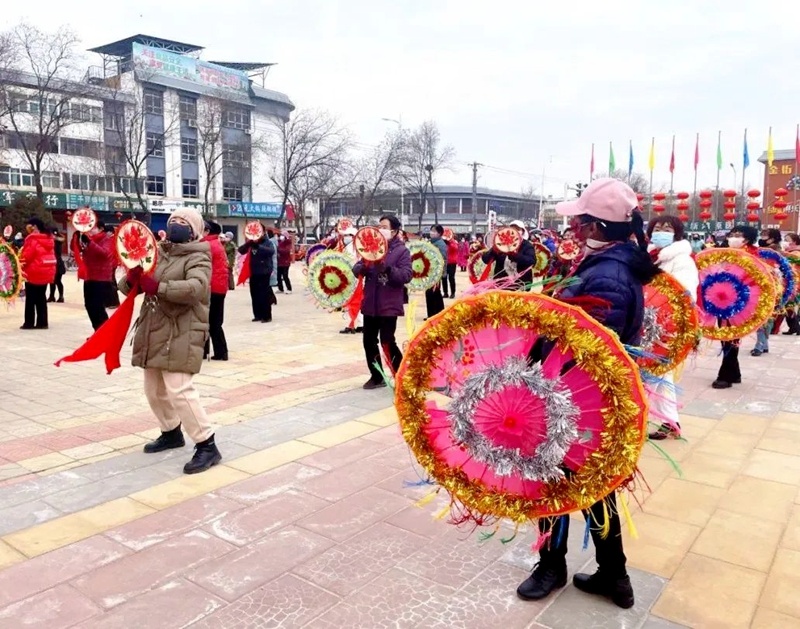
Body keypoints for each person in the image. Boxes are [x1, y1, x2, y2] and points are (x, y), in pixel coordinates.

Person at [517, 178, 660, 610]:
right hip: (587, 398)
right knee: (597, 487)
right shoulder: (608, 264)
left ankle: (552, 566)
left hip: (579, 400)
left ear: (596, 226)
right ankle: (614, 576)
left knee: (557, 483)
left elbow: (596, 347)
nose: (574, 227)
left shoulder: (610, 274)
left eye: (580, 221)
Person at [120, 208, 220, 474]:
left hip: (182, 330)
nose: (176, 225)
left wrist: (159, 287)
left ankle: (207, 444)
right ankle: (171, 431)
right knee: (153, 389)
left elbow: (195, 289)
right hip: (154, 327)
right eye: (173, 220)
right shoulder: (159, 252)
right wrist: (132, 278)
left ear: (195, 229)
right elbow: (131, 286)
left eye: (183, 223)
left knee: (179, 389)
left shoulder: (199, 255)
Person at [646, 215, 699, 440]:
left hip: (665, 324)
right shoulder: (651, 256)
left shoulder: (682, 260)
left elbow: (685, 292)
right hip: (648, 321)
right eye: (657, 227)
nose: (661, 231)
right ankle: (670, 421)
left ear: (676, 233)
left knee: (654, 372)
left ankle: (654, 420)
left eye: (667, 228)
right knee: (658, 373)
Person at [353, 214, 412, 389]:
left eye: (384, 227)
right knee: (368, 340)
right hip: (370, 303)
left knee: (387, 340)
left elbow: (406, 275)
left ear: (394, 231)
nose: (381, 230)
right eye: (379, 227)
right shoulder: (371, 248)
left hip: (389, 304)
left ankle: (402, 375)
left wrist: (387, 268)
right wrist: (362, 267)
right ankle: (376, 376)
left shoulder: (402, 251)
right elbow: (356, 268)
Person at [713, 225, 758, 388]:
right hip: (722, 301)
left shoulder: (752, 256)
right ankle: (734, 373)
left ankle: (725, 375)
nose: (734, 237)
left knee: (731, 337)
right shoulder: (727, 254)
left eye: (738, 235)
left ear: (747, 239)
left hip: (740, 304)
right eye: (732, 234)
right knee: (727, 338)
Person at [19, 218, 56, 330]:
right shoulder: (49, 238)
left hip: (34, 272)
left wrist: (19, 265)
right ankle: (42, 322)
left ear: (34, 226)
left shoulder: (32, 239)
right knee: (41, 297)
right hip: (46, 271)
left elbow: (27, 257)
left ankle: (29, 323)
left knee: (30, 299)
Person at [80, 220, 116, 331]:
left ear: (100, 229)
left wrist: (90, 243)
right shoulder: (90, 240)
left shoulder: (107, 240)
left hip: (101, 279)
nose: (90, 230)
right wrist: (77, 239)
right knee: (89, 306)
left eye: (93, 227)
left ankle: (104, 332)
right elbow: (76, 250)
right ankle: (98, 331)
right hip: (89, 277)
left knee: (98, 307)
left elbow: (105, 253)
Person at [752, 228, 783, 356]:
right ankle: (764, 343)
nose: (762, 237)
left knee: (764, 316)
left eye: (766, 235)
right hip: (762, 285)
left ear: (773, 238)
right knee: (765, 316)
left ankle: (760, 345)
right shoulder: (761, 250)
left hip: (770, 286)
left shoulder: (773, 251)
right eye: (762, 234)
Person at [202, 221, 229, 361]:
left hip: (212, 288)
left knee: (208, 322)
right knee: (215, 321)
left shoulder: (207, 245)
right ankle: (220, 351)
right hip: (219, 287)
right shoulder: (216, 243)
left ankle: (213, 352)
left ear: (207, 231)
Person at [481, 220, 536, 288]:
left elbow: (531, 261)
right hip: (500, 285)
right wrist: (494, 250)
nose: (515, 231)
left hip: (521, 285)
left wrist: (514, 255)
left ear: (522, 232)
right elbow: (485, 259)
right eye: (512, 229)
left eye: (517, 229)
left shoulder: (527, 245)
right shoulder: (501, 244)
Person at [239, 230, 275, 323]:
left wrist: (258, 247)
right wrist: (248, 244)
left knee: (264, 294)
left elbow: (271, 252)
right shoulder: (251, 242)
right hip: (253, 271)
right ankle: (257, 315)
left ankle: (266, 316)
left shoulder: (268, 242)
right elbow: (241, 250)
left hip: (264, 271)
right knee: (254, 294)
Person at [426, 225, 448, 317]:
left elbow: (442, 259)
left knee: (431, 293)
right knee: (436, 294)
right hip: (430, 273)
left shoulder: (440, 244)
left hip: (435, 273)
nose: (431, 232)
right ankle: (438, 313)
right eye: (431, 230)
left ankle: (433, 315)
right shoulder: (432, 242)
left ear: (439, 233)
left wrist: (439, 272)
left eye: (434, 231)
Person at [48, 228, 66, 303]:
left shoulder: (55, 240)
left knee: (55, 280)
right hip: (56, 262)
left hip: (56, 262)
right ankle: (55, 296)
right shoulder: (58, 240)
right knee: (55, 281)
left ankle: (57, 296)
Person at [443, 231, 459, 299]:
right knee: (444, 278)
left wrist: (449, 242)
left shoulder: (453, 242)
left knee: (451, 278)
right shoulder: (443, 242)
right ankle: (445, 293)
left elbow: (455, 248)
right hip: (444, 262)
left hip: (452, 263)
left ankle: (453, 293)